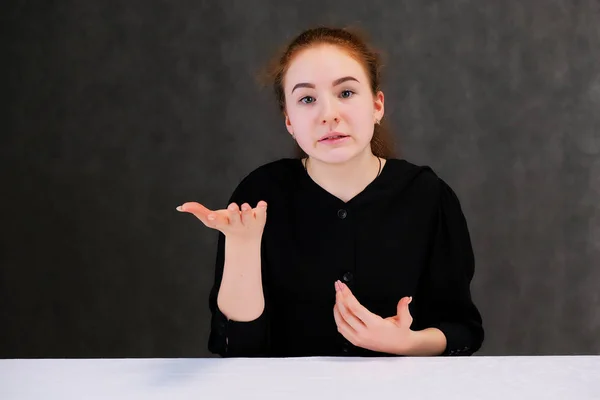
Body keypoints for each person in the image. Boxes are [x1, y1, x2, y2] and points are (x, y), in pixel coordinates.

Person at [177, 26, 484, 358]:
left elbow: (463, 330)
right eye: (307, 99)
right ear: (289, 121)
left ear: (377, 105)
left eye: (346, 93)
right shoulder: (260, 194)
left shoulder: (428, 196)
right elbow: (235, 347)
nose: (329, 115)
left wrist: (406, 343)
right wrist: (242, 245)